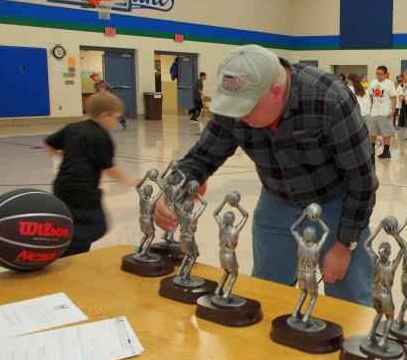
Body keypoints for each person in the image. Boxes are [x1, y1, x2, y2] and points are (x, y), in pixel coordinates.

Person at [154, 45, 378, 307]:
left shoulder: (329, 99)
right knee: (266, 293)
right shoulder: (235, 110)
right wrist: (170, 191)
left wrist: (344, 245)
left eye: (247, 107)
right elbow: (201, 157)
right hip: (277, 202)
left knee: (348, 296)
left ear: (276, 90)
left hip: (336, 204)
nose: (239, 116)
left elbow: (361, 180)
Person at [44, 92, 136, 256]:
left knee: (68, 222)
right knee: (94, 226)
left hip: (62, 185)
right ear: (104, 115)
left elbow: (49, 143)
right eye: (116, 118)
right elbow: (108, 167)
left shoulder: (72, 127)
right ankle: (71, 255)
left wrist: (61, 156)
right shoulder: (101, 136)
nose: (117, 122)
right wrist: (126, 181)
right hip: (83, 190)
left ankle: (64, 248)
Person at [368, 66, 397, 160]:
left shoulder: (389, 84)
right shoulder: (373, 82)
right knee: (372, 133)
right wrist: (371, 108)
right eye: (377, 73)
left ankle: (386, 152)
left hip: (385, 112)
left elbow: (393, 98)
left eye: (381, 74)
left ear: (385, 74)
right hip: (374, 112)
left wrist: (392, 110)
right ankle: (371, 151)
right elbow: (371, 96)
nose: (378, 76)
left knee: (386, 133)